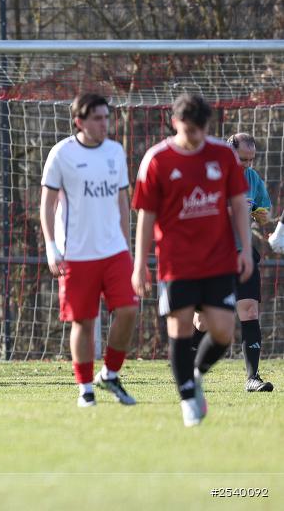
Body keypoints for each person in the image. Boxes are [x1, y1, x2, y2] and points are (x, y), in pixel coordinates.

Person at [132, 94, 252, 427]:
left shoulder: (222, 155)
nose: (195, 135)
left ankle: (195, 374)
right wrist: (139, 263)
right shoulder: (157, 159)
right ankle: (187, 401)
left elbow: (240, 203)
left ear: (207, 125)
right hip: (176, 262)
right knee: (180, 328)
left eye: (200, 129)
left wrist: (244, 249)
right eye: (188, 129)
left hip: (219, 259)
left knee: (224, 331)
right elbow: (146, 215)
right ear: (175, 123)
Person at [40, 94, 139, 408]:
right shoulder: (61, 154)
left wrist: (128, 247)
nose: (104, 124)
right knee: (83, 321)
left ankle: (109, 373)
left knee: (128, 310)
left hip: (114, 251)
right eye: (97, 118)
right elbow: (47, 204)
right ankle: (85, 388)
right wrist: (51, 246)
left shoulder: (115, 151)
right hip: (76, 254)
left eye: (106, 117)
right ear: (80, 121)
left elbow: (123, 201)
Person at [192, 133, 273, 392]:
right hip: (212, 255)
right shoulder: (211, 176)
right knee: (203, 321)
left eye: (251, 160)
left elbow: (264, 210)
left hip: (243, 254)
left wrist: (262, 216)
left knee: (249, 310)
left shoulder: (253, 179)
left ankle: (252, 377)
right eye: (242, 159)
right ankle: (190, 368)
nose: (247, 165)